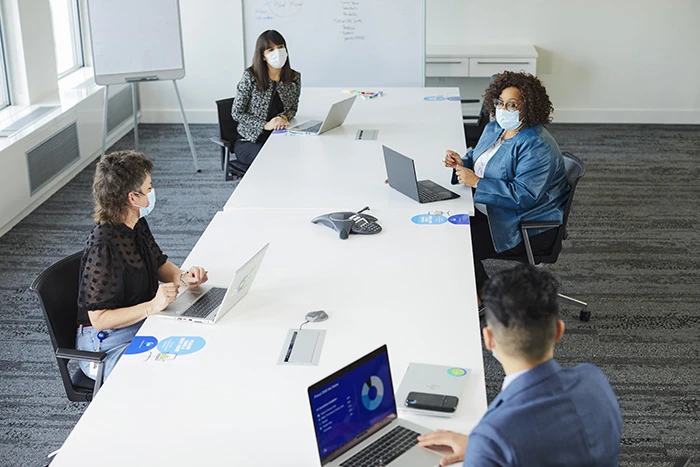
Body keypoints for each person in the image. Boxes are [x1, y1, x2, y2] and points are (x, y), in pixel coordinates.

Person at [417, 264, 622, 466]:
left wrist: (483, 451)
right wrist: (481, 450)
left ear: (488, 339)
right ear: (559, 331)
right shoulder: (594, 380)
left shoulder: (495, 436)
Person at [76, 151, 209, 380]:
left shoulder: (136, 222)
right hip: (105, 343)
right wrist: (152, 306)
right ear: (132, 197)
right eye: (149, 188)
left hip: (140, 322)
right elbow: (99, 319)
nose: (152, 192)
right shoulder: (104, 246)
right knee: (169, 373)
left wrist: (184, 276)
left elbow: (158, 263)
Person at [444, 72, 570, 305]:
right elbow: (480, 158)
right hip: (493, 210)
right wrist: (463, 163)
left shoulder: (536, 145)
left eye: (512, 105)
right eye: (500, 103)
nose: (504, 109)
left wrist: (477, 183)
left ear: (529, 107)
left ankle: (482, 294)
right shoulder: (495, 128)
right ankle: (479, 288)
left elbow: (524, 195)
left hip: (524, 224)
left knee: (455, 242)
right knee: (445, 229)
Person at [231, 30, 301, 166]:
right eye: (271, 49)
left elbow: (293, 108)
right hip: (250, 140)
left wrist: (284, 118)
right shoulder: (250, 76)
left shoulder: (293, 78)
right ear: (263, 56)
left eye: (280, 47)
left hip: (279, 137)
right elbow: (237, 113)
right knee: (273, 160)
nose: (278, 52)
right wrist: (266, 125)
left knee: (297, 156)